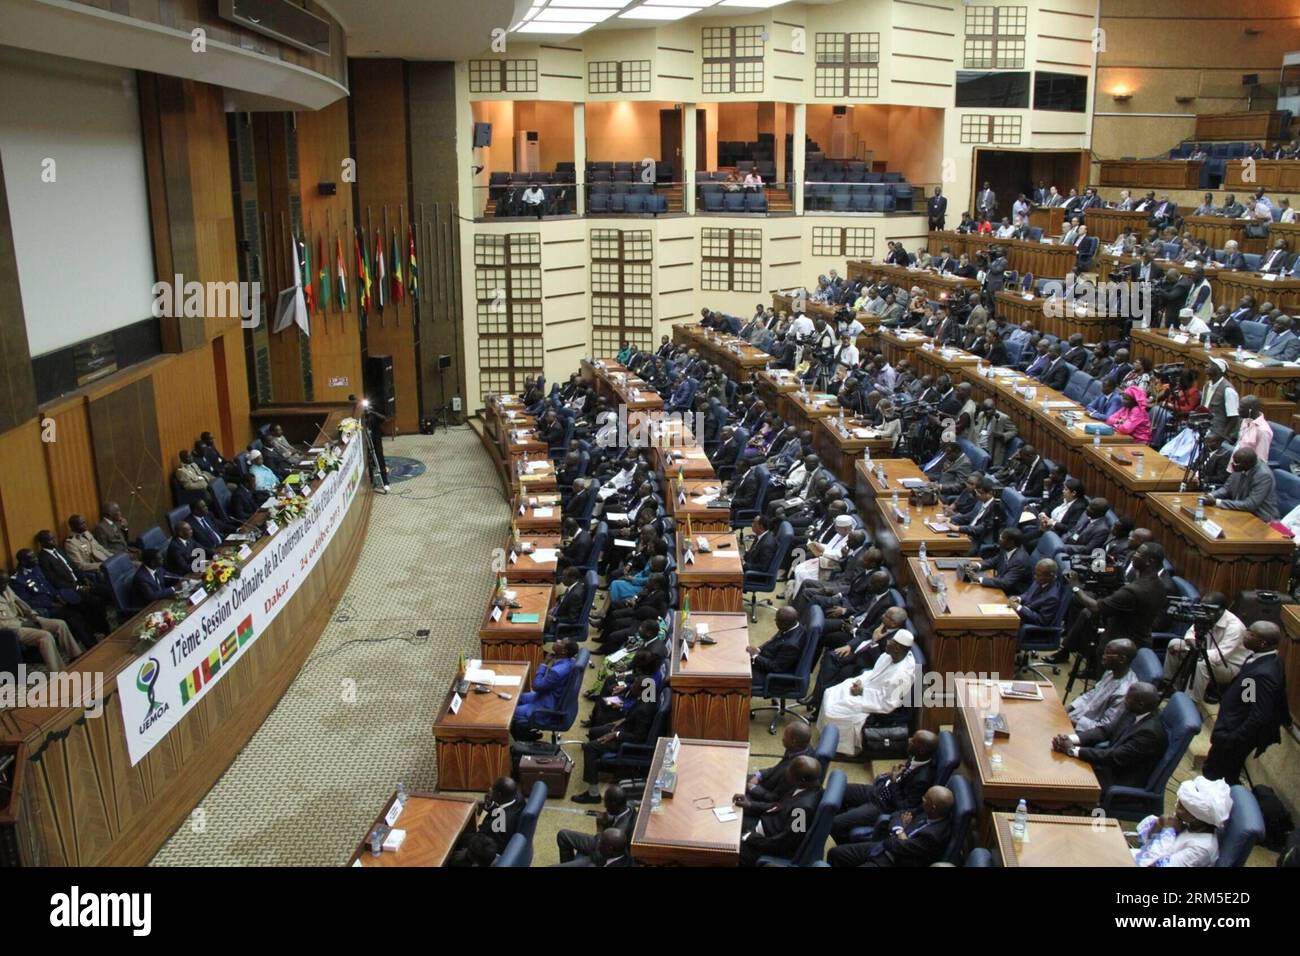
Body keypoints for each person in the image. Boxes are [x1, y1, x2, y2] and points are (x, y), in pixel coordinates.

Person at [1203, 621, 1289, 785]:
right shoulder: (1263, 658)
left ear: (1262, 642)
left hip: (1233, 735)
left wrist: (1233, 738)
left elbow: (1259, 715)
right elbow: (1249, 697)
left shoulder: (1264, 673)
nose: (1245, 634)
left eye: (1250, 633)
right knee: (1224, 773)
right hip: (1232, 725)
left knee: (1215, 776)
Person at [817, 630, 917, 756]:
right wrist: (860, 682)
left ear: (897, 648)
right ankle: (828, 737)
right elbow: (873, 673)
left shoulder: (902, 675)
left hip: (875, 703)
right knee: (830, 692)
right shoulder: (889, 655)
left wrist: (862, 691)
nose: (886, 642)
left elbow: (888, 703)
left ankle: (840, 746)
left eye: (890, 641)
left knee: (835, 709)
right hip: (868, 688)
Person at [1052, 682, 1167, 791]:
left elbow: (1116, 756)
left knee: (1063, 778)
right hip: (1107, 764)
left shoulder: (1149, 734)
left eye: (1127, 698)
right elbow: (1106, 730)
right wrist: (1070, 739)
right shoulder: (1133, 711)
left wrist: (1072, 750)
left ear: (1140, 704)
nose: (1124, 701)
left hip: (1118, 779)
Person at [830, 729, 938, 843]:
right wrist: (894, 776)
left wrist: (894, 782)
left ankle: (844, 845)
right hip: (877, 791)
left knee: (836, 823)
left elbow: (903, 807)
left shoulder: (922, 779)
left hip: (883, 806)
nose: (909, 740)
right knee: (839, 790)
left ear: (921, 750)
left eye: (913, 741)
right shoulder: (915, 757)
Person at [827, 784, 954, 868]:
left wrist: (899, 832)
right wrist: (900, 830)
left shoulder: (934, 836)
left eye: (925, 799)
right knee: (835, 854)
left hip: (892, 861)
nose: (922, 799)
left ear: (933, 807)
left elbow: (894, 845)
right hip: (882, 847)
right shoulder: (925, 810)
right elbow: (897, 814)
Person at [736, 755, 823, 866]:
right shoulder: (807, 786)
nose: (787, 773)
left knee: (728, 848)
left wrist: (751, 838)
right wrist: (750, 804)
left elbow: (786, 841)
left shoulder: (802, 811)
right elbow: (778, 806)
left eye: (791, 772)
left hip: (766, 843)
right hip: (766, 824)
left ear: (801, 780)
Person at [1161, 592, 1248, 702]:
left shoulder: (1235, 627)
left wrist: (1188, 649)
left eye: (1207, 609)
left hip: (1228, 666)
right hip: (1203, 652)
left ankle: (1190, 701)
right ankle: (1171, 687)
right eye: (1202, 607)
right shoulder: (1205, 614)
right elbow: (1189, 634)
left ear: (1220, 610)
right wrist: (1191, 646)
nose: (1203, 611)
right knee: (1174, 644)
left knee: (1201, 664)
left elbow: (1217, 657)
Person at [1133, 776, 1233, 867]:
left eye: (1181, 807)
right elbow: (1143, 841)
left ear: (1196, 817)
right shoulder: (1189, 825)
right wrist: (1160, 824)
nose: (1176, 808)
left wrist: (1167, 833)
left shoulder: (1201, 849)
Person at [0, 568, 83, 670]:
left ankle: (76, 655)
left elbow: (20, 602)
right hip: (12, 630)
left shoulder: (5, 588)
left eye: (6, 583)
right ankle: (58, 671)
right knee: (45, 636)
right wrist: (24, 624)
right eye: (3, 583)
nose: (6, 585)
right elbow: (3, 625)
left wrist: (32, 614)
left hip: (24, 619)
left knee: (60, 624)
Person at [739, 723, 815, 817]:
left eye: (785, 735)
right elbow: (777, 768)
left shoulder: (794, 772)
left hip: (764, 800)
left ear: (793, 741)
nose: (782, 737)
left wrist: (753, 788)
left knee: (733, 804)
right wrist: (759, 775)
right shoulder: (800, 748)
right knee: (737, 776)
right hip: (766, 783)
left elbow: (775, 799)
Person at [510, 639, 578, 740]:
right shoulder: (570, 661)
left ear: (564, 651)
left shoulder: (557, 672)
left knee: (510, 711)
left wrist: (544, 663)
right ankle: (523, 731)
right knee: (514, 698)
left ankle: (524, 739)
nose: (557, 640)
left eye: (561, 642)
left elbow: (536, 686)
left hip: (546, 706)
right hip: (547, 696)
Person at [447, 777, 523, 866]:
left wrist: (466, 853)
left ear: (499, 794)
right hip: (496, 838)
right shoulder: (518, 798)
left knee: (453, 849)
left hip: (487, 853)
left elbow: (487, 847)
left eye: (493, 789)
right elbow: (501, 811)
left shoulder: (499, 825)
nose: (490, 790)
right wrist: (491, 806)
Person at [1066, 638, 1137, 733]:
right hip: (1077, 715)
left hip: (1085, 731)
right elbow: (1092, 693)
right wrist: (1069, 707)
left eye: (1107, 654)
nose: (1103, 657)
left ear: (1122, 659)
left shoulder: (1124, 692)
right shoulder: (1110, 672)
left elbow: (1105, 727)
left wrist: (1070, 721)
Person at [556, 785, 636, 866]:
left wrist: (600, 828)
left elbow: (602, 855)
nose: (605, 806)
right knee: (563, 835)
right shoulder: (629, 806)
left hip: (603, 850)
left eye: (606, 803)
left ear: (614, 804)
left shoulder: (621, 831)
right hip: (605, 841)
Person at [1206, 447, 1279, 522]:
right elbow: (1226, 488)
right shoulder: (1240, 466)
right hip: (1240, 511)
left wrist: (1217, 502)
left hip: (1260, 518)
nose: (1232, 465)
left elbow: (1250, 504)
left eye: (1235, 463)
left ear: (1247, 464)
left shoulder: (1264, 475)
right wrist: (1211, 495)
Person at [965, 528, 1032, 595]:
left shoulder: (1020, 560)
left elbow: (1006, 583)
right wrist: (978, 565)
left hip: (1013, 593)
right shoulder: (1007, 548)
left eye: (1002, 538)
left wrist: (978, 579)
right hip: (1001, 584)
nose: (999, 539)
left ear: (1011, 542)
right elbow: (994, 561)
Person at [749, 606, 805, 681]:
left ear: (784, 623)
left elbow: (776, 668)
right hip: (768, 657)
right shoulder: (793, 625)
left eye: (776, 620)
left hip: (767, 675)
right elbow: (772, 640)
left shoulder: (791, 645)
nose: (775, 621)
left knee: (738, 673)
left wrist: (755, 656)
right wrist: (758, 649)